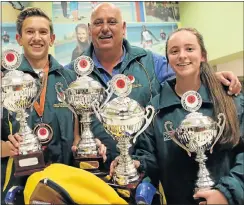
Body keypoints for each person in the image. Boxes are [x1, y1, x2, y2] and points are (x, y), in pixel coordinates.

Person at [66, 2, 242, 169]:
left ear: (124, 28)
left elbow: (185, 75)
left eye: (112, 22)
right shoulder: (73, 72)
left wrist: (211, 78)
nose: (105, 28)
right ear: (90, 30)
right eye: (98, 23)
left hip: (146, 171)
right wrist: (79, 140)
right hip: (94, 169)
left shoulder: (150, 61)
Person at [113, 27, 244, 205]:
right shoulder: (155, 108)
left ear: (203, 56)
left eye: (189, 49)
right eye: (174, 51)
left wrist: (226, 194)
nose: (182, 56)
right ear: (168, 60)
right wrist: (135, 164)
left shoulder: (230, 99)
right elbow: (148, 155)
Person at [1, 7, 106, 204]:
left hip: (64, 188)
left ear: (52, 38)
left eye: (43, 32)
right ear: (19, 38)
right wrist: (8, 148)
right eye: (30, 32)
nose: (37, 38)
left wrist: (88, 147)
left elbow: (79, 135)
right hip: (17, 189)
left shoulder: (71, 81)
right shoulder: (4, 82)